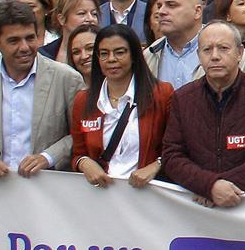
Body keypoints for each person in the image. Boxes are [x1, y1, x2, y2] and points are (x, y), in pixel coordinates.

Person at [160, 21, 245, 206]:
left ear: (240, 53)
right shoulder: (183, 98)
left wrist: (221, 186)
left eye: (223, 48)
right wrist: (209, 186)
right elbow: (172, 156)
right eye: (207, 50)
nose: (214, 56)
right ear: (198, 55)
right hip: (195, 210)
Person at [0, 0, 84, 180]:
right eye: (14, 41)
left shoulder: (67, 79)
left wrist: (47, 157)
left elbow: (79, 136)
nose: (24, 47)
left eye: (30, 38)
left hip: (50, 188)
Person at [70, 24, 173, 188]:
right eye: (104, 54)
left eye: (119, 52)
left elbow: (175, 148)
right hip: (101, 193)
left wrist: (155, 166)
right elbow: (78, 153)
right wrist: (84, 163)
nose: (111, 59)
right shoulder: (83, 100)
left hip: (146, 194)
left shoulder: (162, 94)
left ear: (134, 55)